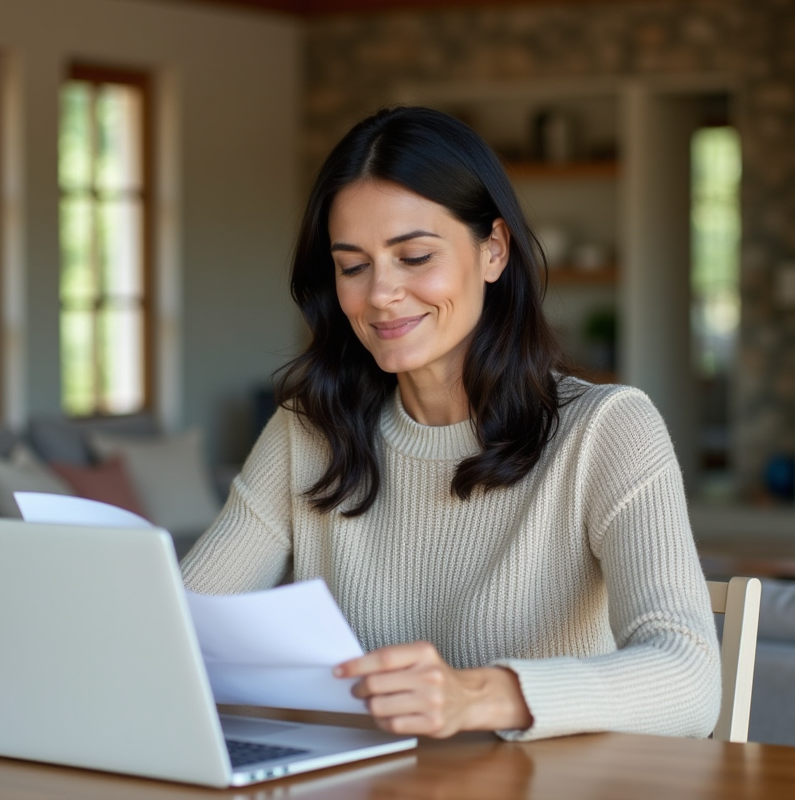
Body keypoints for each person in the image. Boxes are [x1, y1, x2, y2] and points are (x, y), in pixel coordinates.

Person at [180, 106, 720, 742]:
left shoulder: (606, 430)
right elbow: (183, 628)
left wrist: (479, 696)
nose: (380, 292)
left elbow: (689, 681)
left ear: (492, 251)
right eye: (353, 266)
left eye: (413, 256)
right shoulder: (309, 432)